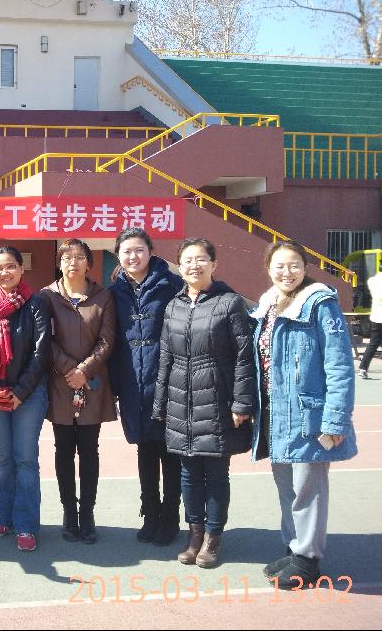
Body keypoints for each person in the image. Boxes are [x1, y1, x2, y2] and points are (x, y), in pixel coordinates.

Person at [251, 240, 357, 588]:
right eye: (279, 266)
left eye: (294, 265)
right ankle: (294, 547)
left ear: (305, 267)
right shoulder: (268, 303)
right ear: (268, 269)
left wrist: (336, 418)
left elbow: (339, 364)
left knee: (307, 488)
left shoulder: (320, 304)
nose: (287, 272)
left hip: (309, 415)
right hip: (276, 413)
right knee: (286, 485)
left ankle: (308, 560)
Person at [153, 238, 255, 569]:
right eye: (187, 260)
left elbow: (244, 356)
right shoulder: (174, 306)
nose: (194, 265)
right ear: (180, 267)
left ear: (214, 264)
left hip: (217, 399)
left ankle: (213, 537)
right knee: (188, 473)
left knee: (216, 473)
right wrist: (160, 403)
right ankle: (194, 534)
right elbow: (165, 357)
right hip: (180, 400)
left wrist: (242, 403)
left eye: (201, 259)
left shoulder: (230, 303)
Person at [107, 227, 185, 546]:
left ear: (151, 252)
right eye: (126, 251)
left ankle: (170, 516)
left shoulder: (173, 285)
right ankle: (150, 513)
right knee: (145, 449)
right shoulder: (114, 292)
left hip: (167, 381)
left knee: (170, 452)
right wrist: (115, 385)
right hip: (132, 384)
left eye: (139, 249)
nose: (133, 256)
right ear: (118, 255)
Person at [40, 239, 116, 544]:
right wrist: (68, 369)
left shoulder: (103, 296)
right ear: (59, 262)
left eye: (79, 257)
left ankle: (87, 514)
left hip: (92, 384)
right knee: (63, 450)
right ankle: (69, 513)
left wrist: (84, 370)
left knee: (89, 450)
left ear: (89, 262)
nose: (73, 262)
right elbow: (44, 339)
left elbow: (107, 340)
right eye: (67, 257)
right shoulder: (47, 295)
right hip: (60, 384)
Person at [0, 246, 51, 552]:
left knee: (25, 459)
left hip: (28, 395)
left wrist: (20, 393)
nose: (4, 272)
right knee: (5, 459)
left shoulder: (36, 304)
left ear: (22, 269)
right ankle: (5, 516)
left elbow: (41, 352)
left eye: (10, 266)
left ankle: (26, 524)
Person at [358, 268, 381, 379]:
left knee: (373, 344)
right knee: (374, 344)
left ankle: (363, 368)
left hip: (376, 316)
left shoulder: (372, 280)